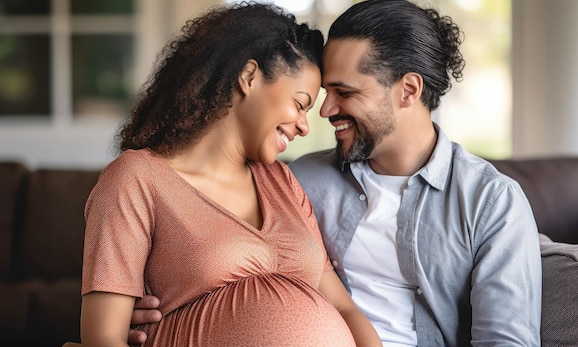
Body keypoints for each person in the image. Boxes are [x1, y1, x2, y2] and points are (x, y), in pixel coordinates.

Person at [109, 0, 543, 346]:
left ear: (409, 90)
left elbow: (506, 340)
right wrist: (134, 306)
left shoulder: (491, 202)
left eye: (344, 92)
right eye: (320, 94)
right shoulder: (296, 180)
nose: (326, 110)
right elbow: (193, 241)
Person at [72, 2, 382, 347]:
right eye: (299, 104)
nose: (304, 127)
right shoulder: (135, 179)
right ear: (249, 77)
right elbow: (103, 338)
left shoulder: (282, 181)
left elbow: (342, 306)